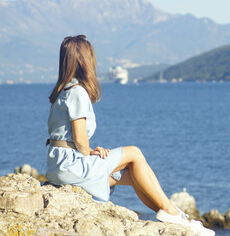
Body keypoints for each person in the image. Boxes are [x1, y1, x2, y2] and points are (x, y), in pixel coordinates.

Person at [46, 35, 215, 236]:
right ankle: (173, 213)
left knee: (134, 175)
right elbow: (81, 139)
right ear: (84, 60)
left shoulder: (63, 90)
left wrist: (90, 151)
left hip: (59, 165)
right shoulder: (77, 92)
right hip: (71, 166)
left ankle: (172, 217)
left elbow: (70, 140)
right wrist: (90, 153)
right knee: (134, 153)